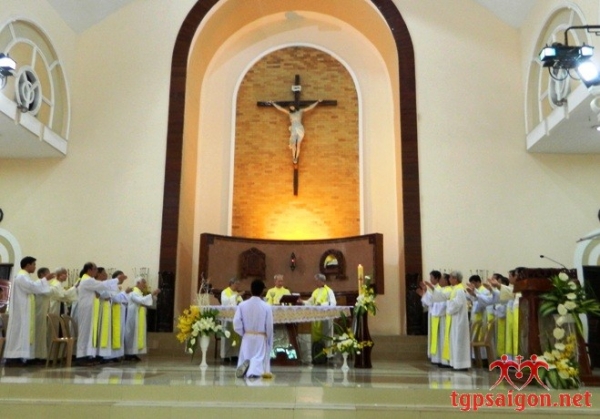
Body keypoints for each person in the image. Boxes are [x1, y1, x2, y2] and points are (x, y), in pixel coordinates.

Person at [4, 256, 52, 366]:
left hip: (24, 311)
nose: (35, 267)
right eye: (34, 264)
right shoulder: (21, 277)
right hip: (20, 312)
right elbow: (33, 287)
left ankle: (24, 357)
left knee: (24, 334)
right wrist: (45, 279)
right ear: (28, 265)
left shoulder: (25, 277)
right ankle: (13, 358)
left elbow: (33, 287)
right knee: (19, 334)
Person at [74, 262, 120, 365]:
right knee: (85, 332)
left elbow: (100, 290)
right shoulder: (87, 280)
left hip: (89, 309)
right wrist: (117, 280)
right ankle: (81, 357)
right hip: (86, 309)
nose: (96, 271)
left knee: (89, 333)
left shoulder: (88, 280)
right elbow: (102, 285)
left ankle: (87, 356)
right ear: (89, 270)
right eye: (95, 269)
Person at [233, 279, 273, 379]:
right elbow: (269, 325)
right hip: (260, 337)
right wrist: (268, 337)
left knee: (247, 355)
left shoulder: (242, 305)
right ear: (262, 291)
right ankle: (254, 370)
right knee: (258, 357)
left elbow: (236, 322)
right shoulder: (266, 307)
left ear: (251, 290)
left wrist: (244, 333)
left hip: (247, 336)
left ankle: (246, 368)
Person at [124, 277, 160, 361]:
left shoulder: (139, 293)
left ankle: (134, 353)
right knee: (132, 335)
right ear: (138, 283)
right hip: (133, 317)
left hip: (138, 316)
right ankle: (128, 354)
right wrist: (151, 294)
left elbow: (146, 302)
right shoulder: (133, 292)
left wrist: (153, 296)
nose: (145, 285)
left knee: (137, 335)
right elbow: (141, 301)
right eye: (143, 283)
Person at [441, 270, 470, 370]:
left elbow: (457, 304)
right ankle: (455, 363)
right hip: (455, 320)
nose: (449, 279)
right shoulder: (455, 289)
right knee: (454, 341)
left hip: (459, 320)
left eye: (450, 278)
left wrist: (448, 304)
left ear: (455, 279)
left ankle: (461, 364)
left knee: (459, 341)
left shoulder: (459, 290)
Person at [98, 270, 130, 362]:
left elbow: (120, 298)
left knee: (119, 333)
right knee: (110, 334)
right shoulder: (110, 286)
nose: (123, 279)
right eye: (121, 277)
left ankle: (116, 355)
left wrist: (124, 295)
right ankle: (108, 356)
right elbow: (114, 298)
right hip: (111, 311)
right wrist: (125, 293)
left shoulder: (116, 287)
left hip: (118, 312)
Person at [220, 277, 243, 363]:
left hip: (236, 319)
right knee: (227, 335)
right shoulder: (225, 292)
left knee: (237, 335)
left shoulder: (236, 293)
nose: (238, 286)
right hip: (227, 318)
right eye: (237, 284)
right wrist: (235, 296)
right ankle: (226, 355)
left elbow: (241, 303)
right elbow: (225, 302)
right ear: (232, 284)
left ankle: (235, 355)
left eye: (238, 284)